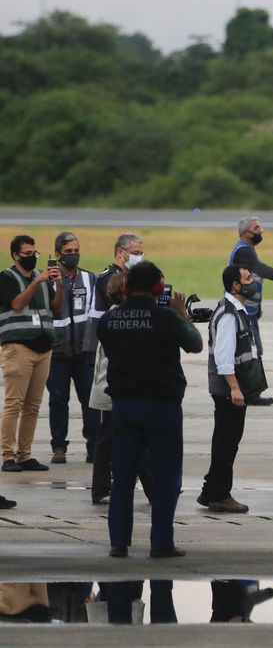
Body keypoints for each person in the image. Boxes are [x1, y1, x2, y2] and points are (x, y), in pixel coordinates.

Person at [97, 261, 203, 558]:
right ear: (158, 287)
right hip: (161, 406)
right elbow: (195, 344)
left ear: (127, 287)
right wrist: (181, 313)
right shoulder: (166, 318)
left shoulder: (109, 320)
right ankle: (161, 543)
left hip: (124, 406)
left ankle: (119, 542)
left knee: (123, 479)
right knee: (166, 477)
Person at [197, 265, 262, 514]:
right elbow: (224, 357)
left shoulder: (236, 311)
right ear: (236, 285)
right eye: (247, 278)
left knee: (226, 441)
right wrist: (235, 387)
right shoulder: (228, 315)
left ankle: (211, 489)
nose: (252, 281)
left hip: (235, 389)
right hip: (229, 391)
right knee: (226, 443)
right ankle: (220, 494)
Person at [89, 272, 154, 506]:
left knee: (117, 438)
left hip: (112, 387)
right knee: (110, 439)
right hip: (114, 388)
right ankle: (102, 489)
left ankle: (150, 488)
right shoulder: (121, 317)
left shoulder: (113, 315)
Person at [1, 235, 62, 473]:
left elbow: (56, 307)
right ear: (16, 255)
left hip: (43, 346)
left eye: (35, 254)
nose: (32, 258)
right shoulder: (6, 278)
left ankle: (24, 454)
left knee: (33, 406)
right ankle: (8, 454)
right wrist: (36, 283)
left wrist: (59, 284)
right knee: (13, 404)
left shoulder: (42, 278)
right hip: (18, 346)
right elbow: (16, 304)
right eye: (27, 254)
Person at [46, 231, 101, 464]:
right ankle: (59, 447)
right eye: (68, 252)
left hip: (84, 350)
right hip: (56, 351)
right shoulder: (46, 280)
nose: (73, 255)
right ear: (58, 254)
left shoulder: (90, 279)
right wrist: (57, 284)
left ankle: (94, 446)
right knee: (58, 400)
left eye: (76, 251)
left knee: (90, 400)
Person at [229, 216, 273, 406]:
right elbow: (257, 268)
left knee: (251, 350)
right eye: (256, 227)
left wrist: (257, 309)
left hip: (249, 310)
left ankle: (247, 391)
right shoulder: (243, 251)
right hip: (243, 311)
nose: (261, 230)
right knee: (252, 350)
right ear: (246, 232)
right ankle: (250, 394)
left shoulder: (246, 250)